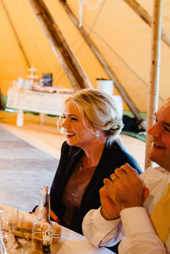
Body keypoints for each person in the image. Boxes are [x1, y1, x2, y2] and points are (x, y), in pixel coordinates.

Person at [82, 93, 170, 254]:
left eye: (167, 128)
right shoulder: (152, 180)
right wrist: (108, 215)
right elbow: (96, 235)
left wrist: (131, 208)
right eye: (155, 120)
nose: (152, 131)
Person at [48, 89, 141, 235]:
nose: (65, 124)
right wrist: (42, 209)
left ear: (98, 124)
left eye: (73, 118)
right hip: (60, 234)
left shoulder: (122, 168)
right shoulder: (70, 149)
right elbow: (55, 197)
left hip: (94, 246)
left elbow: (123, 229)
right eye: (65, 117)